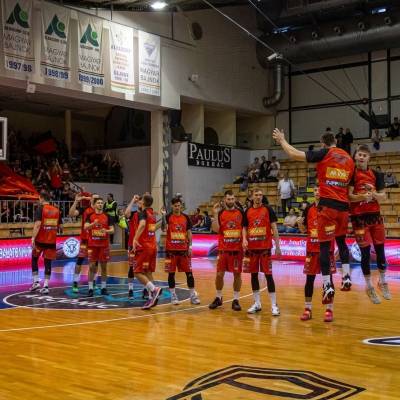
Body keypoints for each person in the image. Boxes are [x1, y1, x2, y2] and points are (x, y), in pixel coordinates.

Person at [273, 128, 355, 304]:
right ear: (336, 142)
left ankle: (327, 285)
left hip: (329, 206)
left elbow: (294, 154)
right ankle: (346, 276)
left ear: (323, 144)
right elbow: (352, 189)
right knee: (341, 242)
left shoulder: (325, 153)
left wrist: (282, 140)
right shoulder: (349, 159)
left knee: (324, 246)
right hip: (344, 208)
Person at [349, 145, 391, 303]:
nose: (361, 157)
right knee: (365, 254)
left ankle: (382, 281)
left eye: (364, 155)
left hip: (375, 217)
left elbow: (383, 197)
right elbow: (349, 197)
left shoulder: (376, 174)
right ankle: (369, 286)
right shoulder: (351, 174)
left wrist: (372, 193)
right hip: (359, 219)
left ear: (369, 158)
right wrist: (362, 197)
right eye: (359, 154)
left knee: (380, 251)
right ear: (355, 156)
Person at [297, 187, 336, 322]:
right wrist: (300, 225)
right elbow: (304, 230)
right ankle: (307, 309)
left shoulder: (330, 208)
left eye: (320, 190)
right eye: (315, 190)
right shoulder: (308, 209)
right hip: (312, 250)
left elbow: (336, 228)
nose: (317, 192)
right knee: (309, 280)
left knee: (329, 281)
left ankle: (329, 310)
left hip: (327, 250)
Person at [242, 188, 281, 315]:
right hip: (252, 250)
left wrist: (278, 246)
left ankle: (274, 305)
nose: (258, 197)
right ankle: (257, 303)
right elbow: (244, 227)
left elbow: (274, 228)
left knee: (269, 276)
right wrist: (244, 239)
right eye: (256, 195)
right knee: (253, 276)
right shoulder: (247, 211)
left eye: (260, 195)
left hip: (265, 249)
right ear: (252, 197)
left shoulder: (268, 209)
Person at [209, 190, 246, 311]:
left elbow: (244, 228)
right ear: (225, 200)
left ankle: (236, 299)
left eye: (232, 199)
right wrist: (215, 214)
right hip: (223, 249)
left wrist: (245, 240)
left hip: (237, 250)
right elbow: (216, 229)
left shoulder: (240, 212)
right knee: (219, 274)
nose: (231, 201)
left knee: (237, 274)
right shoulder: (220, 213)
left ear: (235, 199)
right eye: (228, 199)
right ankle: (218, 297)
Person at [162, 197, 200, 305]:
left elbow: (189, 233)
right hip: (171, 251)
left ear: (181, 206)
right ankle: (173, 296)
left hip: (184, 251)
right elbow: (163, 228)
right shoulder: (168, 216)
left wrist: (190, 246)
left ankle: (193, 296)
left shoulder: (186, 217)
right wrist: (163, 216)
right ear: (172, 206)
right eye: (175, 206)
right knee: (171, 274)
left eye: (179, 205)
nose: (177, 207)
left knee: (189, 273)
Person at [131, 194, 163, 309]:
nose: (139, 202)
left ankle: (154, 290)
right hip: (152, 246)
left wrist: (135, 239)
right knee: (148, 272)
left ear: (143, 203)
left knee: (137, 272)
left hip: (144, 246)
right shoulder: (152, 215)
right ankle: (151, 299)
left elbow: (142, 225)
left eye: (140, 200)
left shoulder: (143, 213)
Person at [30, 191, 61, 294]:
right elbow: (60, 226)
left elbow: (37, 224)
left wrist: (33, 238)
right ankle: (46, 286)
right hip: (51, 241)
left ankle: (36, 282)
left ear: (41, 198)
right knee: (48, 262)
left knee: (34, 258)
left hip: (40, 240)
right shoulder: (57, 210)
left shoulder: (40, 208)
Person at [69, 192, 99, 293]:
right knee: (80, 261)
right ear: (91, 199)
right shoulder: (85, 209)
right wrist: (75, 202)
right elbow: (71, 214)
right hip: (85, 240)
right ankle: (75, 282)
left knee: (95, 263)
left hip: (96, 241)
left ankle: (93, 282)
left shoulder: (101, 212)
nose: (97, 201)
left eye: (98, 199)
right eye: (94, 198)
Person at [84, 197, 114, 297]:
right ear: (95, 205)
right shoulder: (90, 216)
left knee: (104, 267)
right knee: (91, 266)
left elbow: (112, 230)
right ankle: (90, 289)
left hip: (104, 246)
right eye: (98, 203)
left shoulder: (107, 216)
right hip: (92, 245)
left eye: (101, 203)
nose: (100, 204)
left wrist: (106, 231)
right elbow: (85, 227)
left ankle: (103, 288)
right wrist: (93, 224)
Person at [124, 194, 143, 298]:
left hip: (143, 245)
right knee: (131, 267)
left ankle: (145, 289)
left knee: (144, 269)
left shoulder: (146, 215)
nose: (140, 203)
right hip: (132, 245)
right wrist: (132, 200)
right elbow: (126, 213)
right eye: (138, 202)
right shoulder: (133, 214)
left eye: (141, 202)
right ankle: (130, 290)